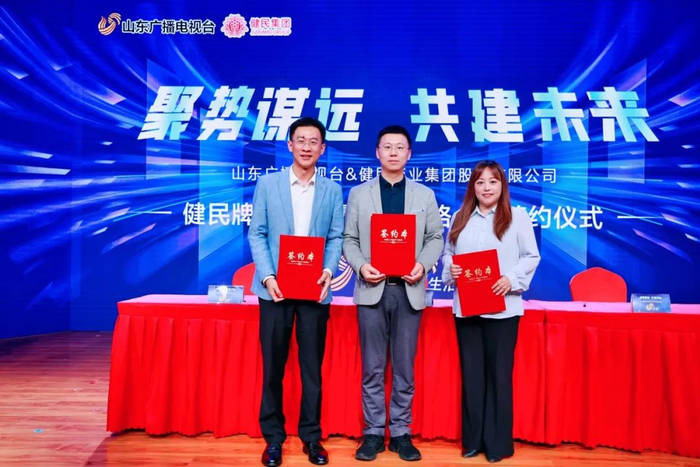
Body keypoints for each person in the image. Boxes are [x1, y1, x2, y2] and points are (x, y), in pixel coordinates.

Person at [343, 125, 444, 462]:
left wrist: (423, 265)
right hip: (372, 289)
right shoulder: (360, 194)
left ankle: (401, 432)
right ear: (377, 152)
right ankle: (373, 432)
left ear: (409, 154)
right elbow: (349, 239)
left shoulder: (424, 195)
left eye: (400, 147)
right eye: (387, 147)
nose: (393, 152)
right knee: (372, 368)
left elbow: (435, 238)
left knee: (403, 368)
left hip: (408, 290)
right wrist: (361, 267)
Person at [248, 117, 344, 467]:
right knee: (273, 367)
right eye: (300, 140)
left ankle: (311, 437)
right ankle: (273, 438)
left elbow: (335, 236)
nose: (306, 146)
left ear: (322, 148)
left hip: (314, 292)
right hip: (275, 291)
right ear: (290, 145)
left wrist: (329, 270)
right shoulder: (268, 184)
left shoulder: (331, 190)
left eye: (313, 141)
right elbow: (257, 233)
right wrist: (268, 276)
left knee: (311, 369)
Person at [441, 160, 540, 463]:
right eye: (480, 182)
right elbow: (448, 254)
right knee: (472, 376)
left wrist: (511, 278)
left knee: (498, 376)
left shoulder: (517, 217)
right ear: (473, 186)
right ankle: (473, 441)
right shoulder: (459, 217)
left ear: (502, 186)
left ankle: (497, 444)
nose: (486, 188)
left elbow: (531, 256)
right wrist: (451, 268)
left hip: (503, 309)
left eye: (493, 182)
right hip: (468, 309)